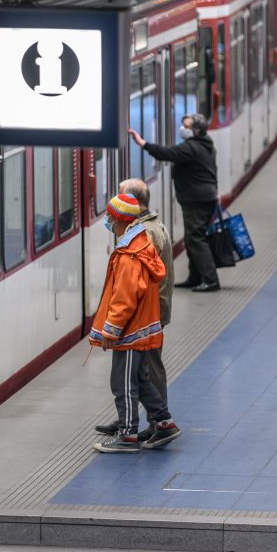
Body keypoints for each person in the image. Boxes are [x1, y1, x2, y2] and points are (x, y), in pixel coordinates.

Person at [89, 193, 181, 453]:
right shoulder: (140, 243)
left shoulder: (130, 254)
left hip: (131, 331)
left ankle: (128, 435)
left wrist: (111, 329)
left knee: (123, 383)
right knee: (140, 381)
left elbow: (125, 297)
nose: (107, 220)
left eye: (109, 216)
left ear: (119, 220)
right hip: (141, 327)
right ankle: (164, 423)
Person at [128, 113, 220, 292]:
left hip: (196, 199)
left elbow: (167, 153)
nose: (182, 129)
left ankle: (211, 279)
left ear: (195, 130)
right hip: (204, 197)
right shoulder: (206, 144)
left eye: (186, 126)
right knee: (193, 237)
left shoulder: (191, 148)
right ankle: (195, 277)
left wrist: (143, 144)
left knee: (195, 239)